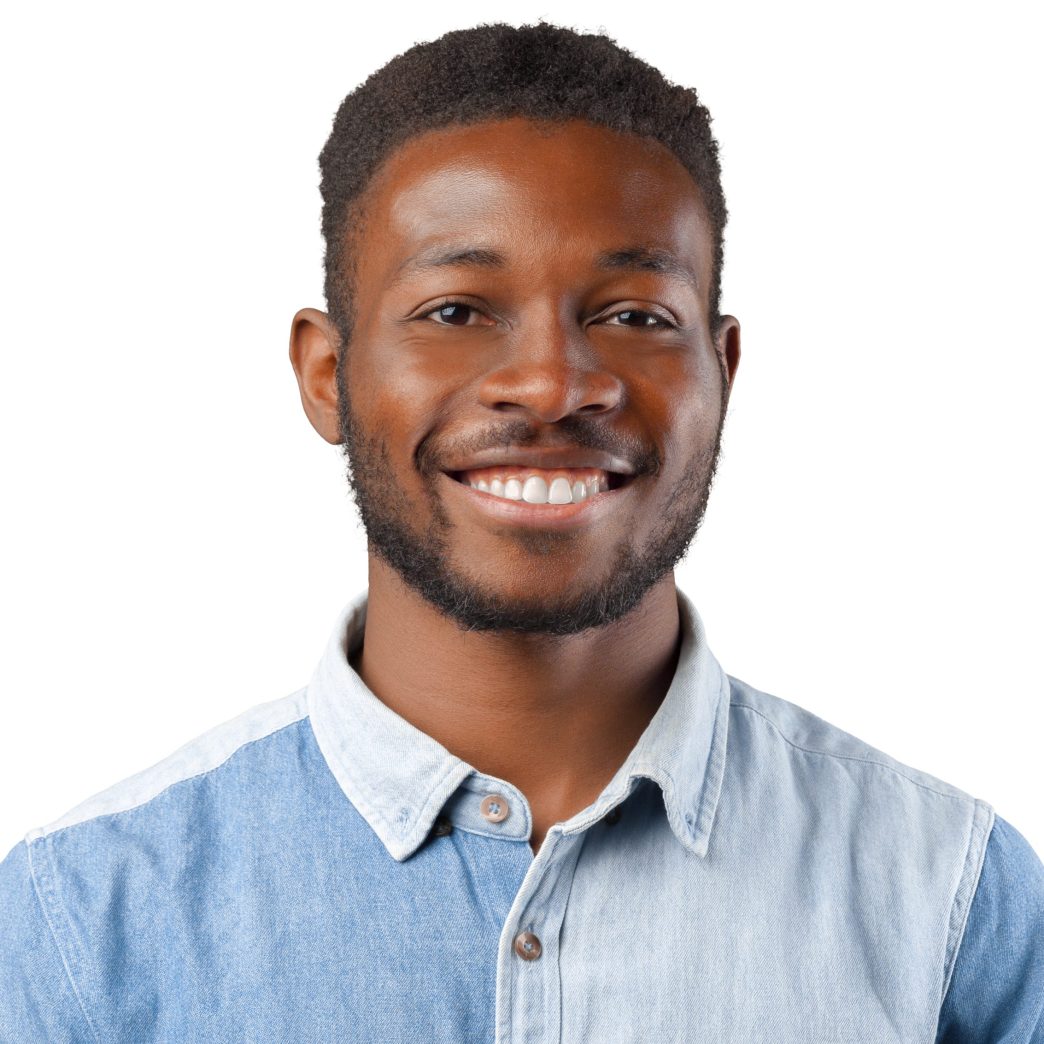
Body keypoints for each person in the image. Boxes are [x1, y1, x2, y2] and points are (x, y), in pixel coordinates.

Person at [1, 21, 1041, 1042]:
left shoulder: (950, 900)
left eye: (634, 316)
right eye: (456, 310)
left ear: (724, 371)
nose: (551, 385)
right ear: (327, 376)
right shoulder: (82, 923)